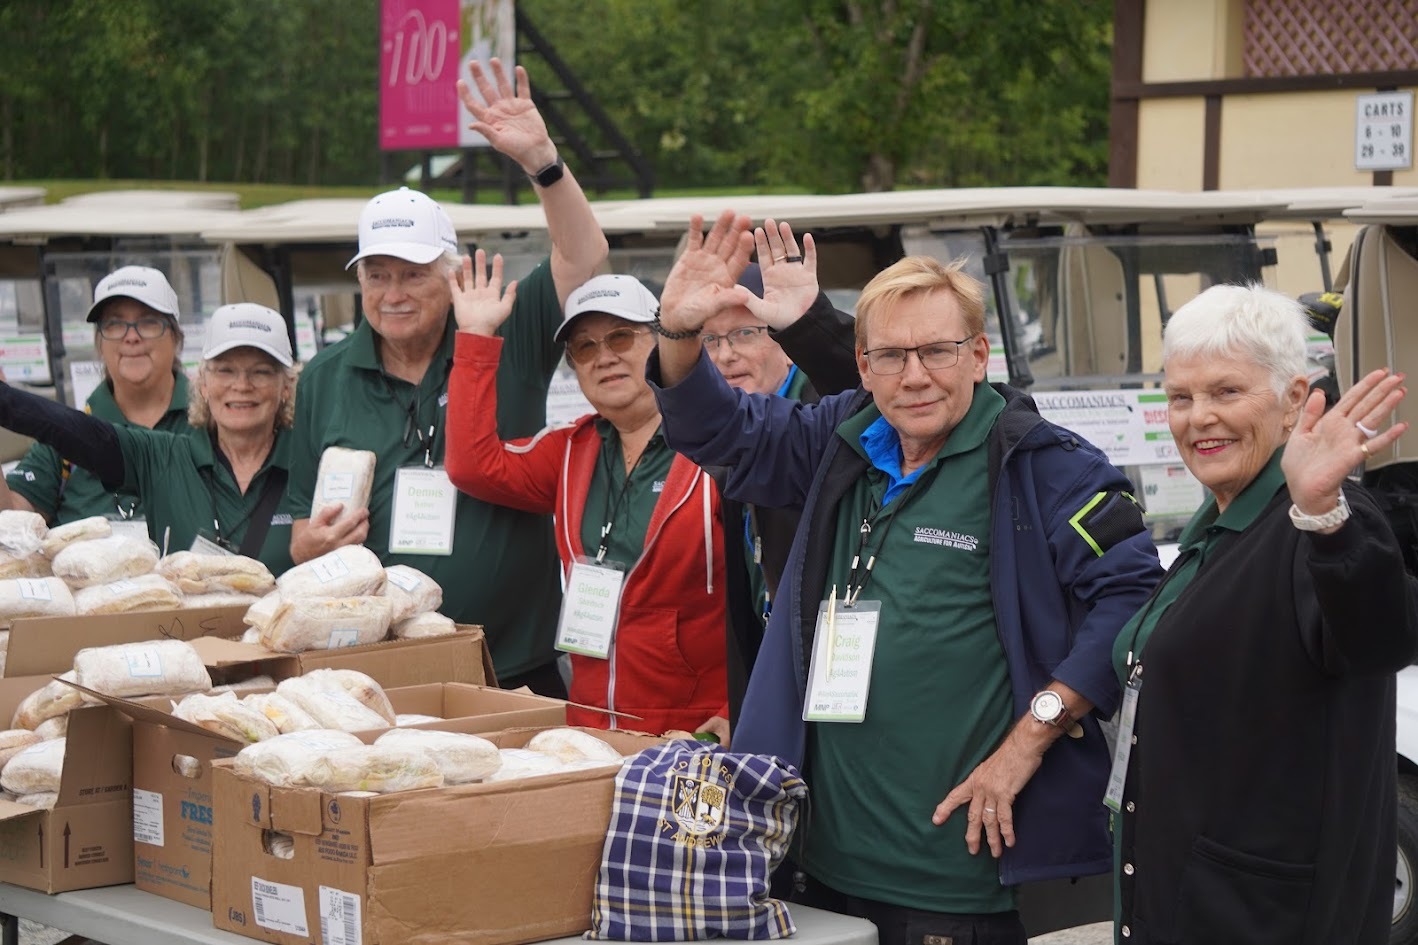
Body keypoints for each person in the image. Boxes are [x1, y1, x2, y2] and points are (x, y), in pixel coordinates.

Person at [647, 212, 1163, 945]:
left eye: (937, 351)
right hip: (815, 863)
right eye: (890, 356)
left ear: (979, 355)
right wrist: (676, 332)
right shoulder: (838, 438)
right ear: (862, 367)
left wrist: (1031, 736)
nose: (914, 376)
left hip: (953, 876)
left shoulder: (1048, 467)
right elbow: (716, 428)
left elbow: (1134, 599)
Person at [281, 58, 608, 696]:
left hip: (516, 665)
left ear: (452, 275)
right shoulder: (322, 377)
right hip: (382, 668)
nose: (393, 293)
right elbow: (299, 530)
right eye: (377, 275)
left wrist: (543, 162)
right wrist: (311, 546)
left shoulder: (501, 327)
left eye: (412, 274)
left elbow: (585, 256)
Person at [1109, 284, 1418, 943]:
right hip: (1182, 900)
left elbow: (1376, 637)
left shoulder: (1321, 519)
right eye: (1181, 397)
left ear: (1293, 400)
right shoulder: (1216, 524)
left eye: (1226, 391)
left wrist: (1324, 513)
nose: (1199, 417)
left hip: (1263, 918)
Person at [444, 261, 729, 737]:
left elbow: (772, 598)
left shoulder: (720, 447)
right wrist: (476, 336)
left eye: (621, 337)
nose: (604, 357)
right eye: (585, 346)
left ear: (661, 341)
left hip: (694, 732)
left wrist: (740, 707)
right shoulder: (571, 450)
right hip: (591, 728)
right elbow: (472, 466)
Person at [690, 219, 860, 725]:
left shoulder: (828, 409)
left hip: (839, 673)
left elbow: (873, 389)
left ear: (784, 336)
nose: (726, 355)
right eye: (710, 340)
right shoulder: (726, 440)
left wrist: (812, 322)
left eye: (745, 333)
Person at [0, 303, 297, 573]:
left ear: (286, 386)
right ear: (203, 384)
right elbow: (79, 432)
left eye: (261, 372)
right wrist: (5, 400)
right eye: (225, 371)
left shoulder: (308, 461)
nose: (242, 385)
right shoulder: (164, 457)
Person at [6, 266, 194, 535]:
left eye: (148, 322)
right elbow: (11, 523)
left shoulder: (215, 428)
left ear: (176, 337)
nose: (131, 336)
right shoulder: (66, 434)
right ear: (100, 344)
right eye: (115, 324)